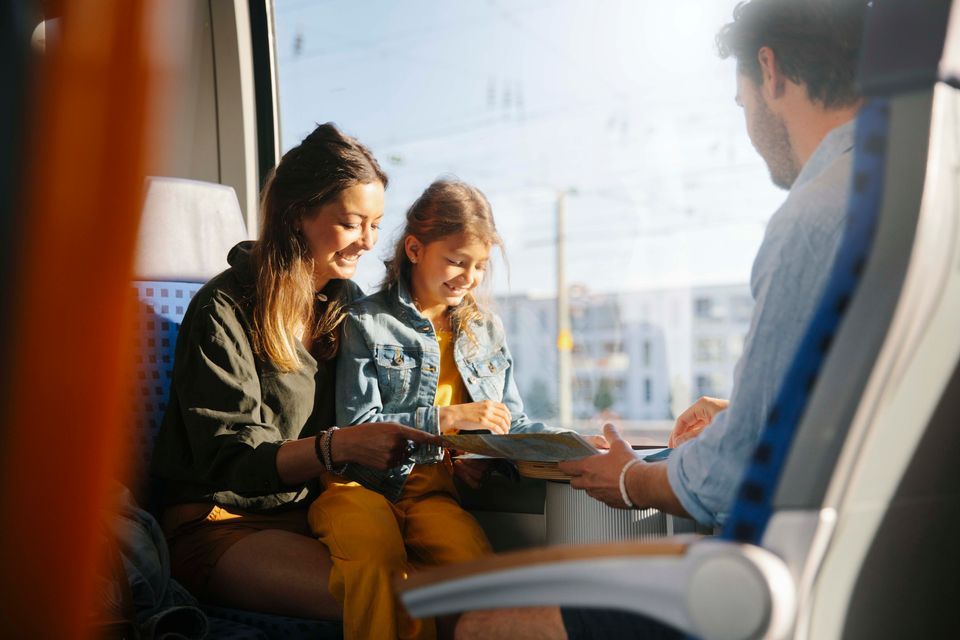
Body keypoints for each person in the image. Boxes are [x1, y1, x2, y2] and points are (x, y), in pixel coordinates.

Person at [454, 0, 869, 638]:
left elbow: (727, 478)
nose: (749, 126)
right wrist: (737, 414)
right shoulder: (912, 189)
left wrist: (631, 478)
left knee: (485, 622)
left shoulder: (813, 218)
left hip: (782, 577)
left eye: (741, 104)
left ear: (771, 70)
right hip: (868, 557)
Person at [149, 123, 440, 624]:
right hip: (221, 521)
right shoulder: (223, 309)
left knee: (450, 590)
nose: (368, 242)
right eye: (352, 224)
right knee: (394, 603)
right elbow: (230, 460)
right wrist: (339, 446)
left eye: (376, 225)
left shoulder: (346, 306)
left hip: (313, 511)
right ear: (297, 214)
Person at [310, 178, 595, 639]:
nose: (469, 277)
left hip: (432, 493)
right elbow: (358, 427)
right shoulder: (366, 321)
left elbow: (510, 421)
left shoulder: (484, 330)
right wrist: (448, 421)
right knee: (377, 559)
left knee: (481, 577)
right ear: (416, 249)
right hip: (358, 486)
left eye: (480, 266)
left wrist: (569, 445)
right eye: (457, 261)